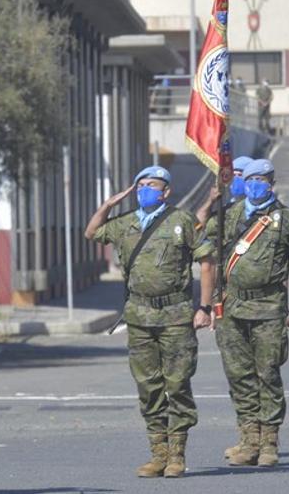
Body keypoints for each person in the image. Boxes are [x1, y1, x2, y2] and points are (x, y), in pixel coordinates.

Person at [84, 165, 216, 478]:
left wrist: (205, 307)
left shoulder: (182, 221)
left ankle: (177, 454)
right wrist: (108, 205)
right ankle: (158, 454)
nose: (145, 189)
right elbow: (91, 233)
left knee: (178, 383)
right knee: (149, 386)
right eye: (140, 185)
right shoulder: (125, 223)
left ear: (166, 191)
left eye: (152, 185)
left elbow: (208, 263)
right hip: (139, 316)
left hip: (175, 316)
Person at [206, 158, 289, 467]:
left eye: (261, 180)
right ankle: (249, 440)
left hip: (268, 307)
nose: (254, 185)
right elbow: (202, 245)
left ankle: (269, 443)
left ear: (271, 183)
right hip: (232, 307)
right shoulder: (229, 215)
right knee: (239, 376)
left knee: (267, 374)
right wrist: (211, 304)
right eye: (249, 179)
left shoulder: (288, 219)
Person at [195, 156, 252, 226]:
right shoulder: (229, 207)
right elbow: (200, 221)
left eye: (240, 175)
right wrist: (210, 201)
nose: (236, 179)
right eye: (233, 175)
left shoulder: (256, 206)